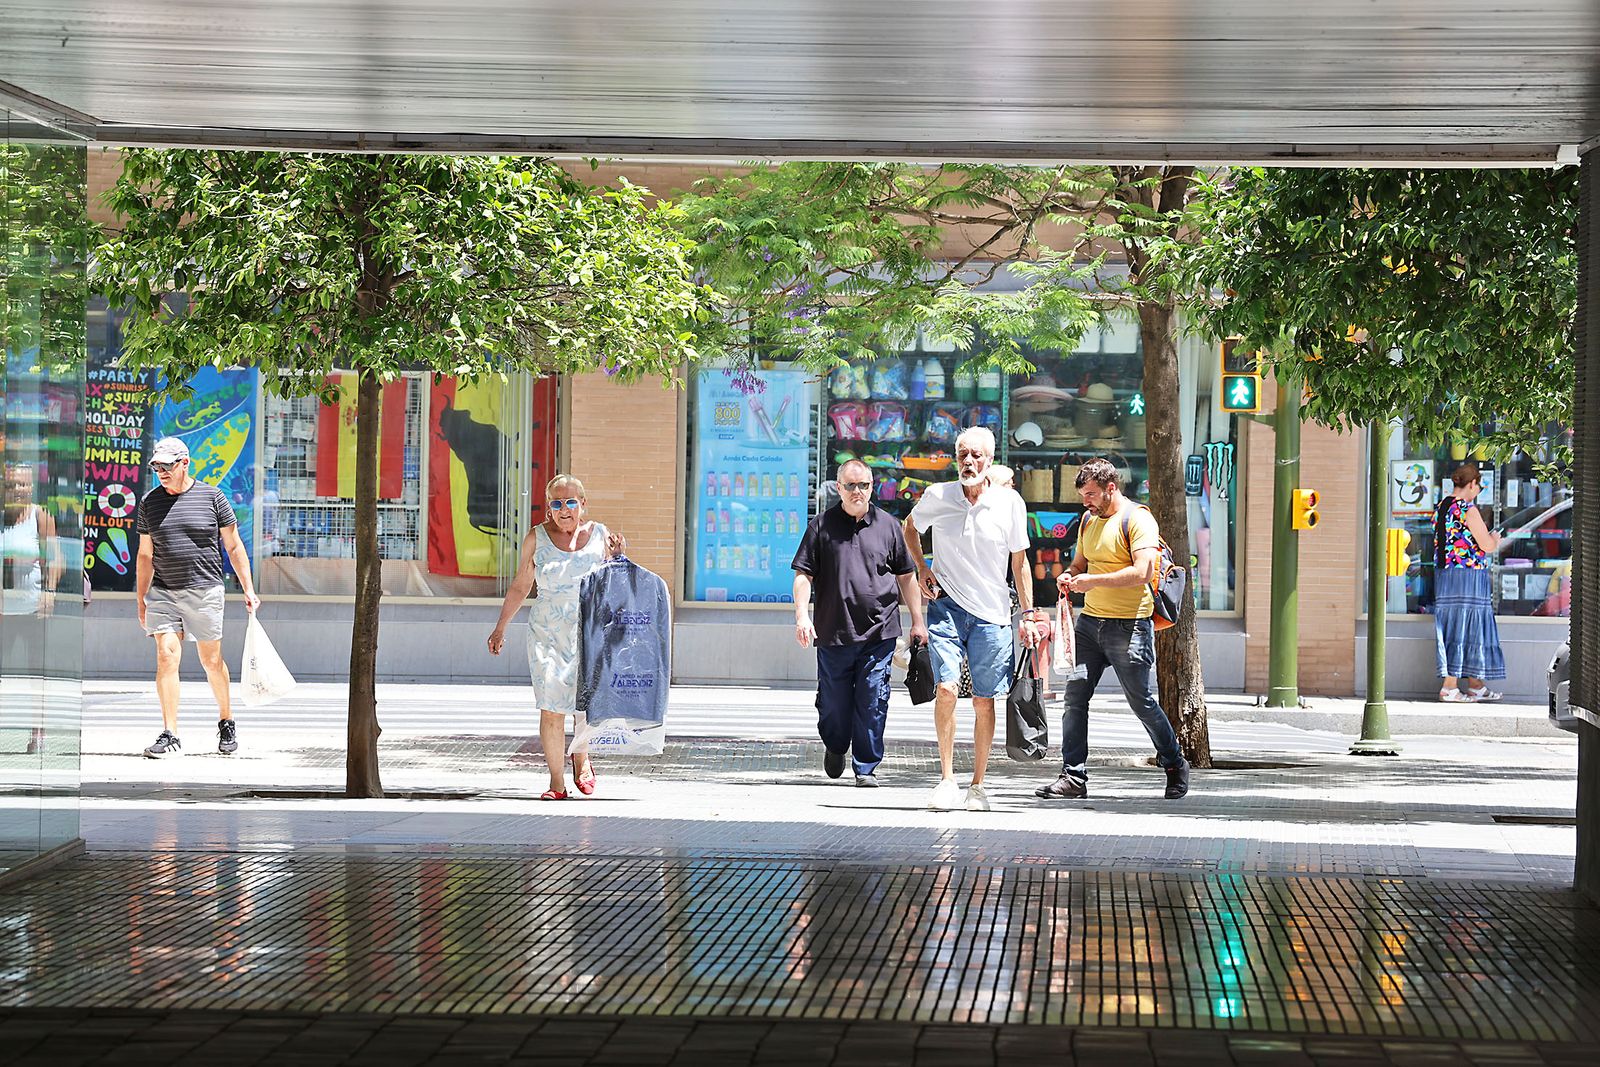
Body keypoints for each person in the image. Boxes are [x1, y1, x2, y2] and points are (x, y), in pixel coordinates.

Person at [903, 426, 1039, 812]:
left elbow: (1020, 562)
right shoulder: (938, 496)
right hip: (945, 607)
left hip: (992, 615)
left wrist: (1028, 614)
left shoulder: (1009, 503)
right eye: (963, 454)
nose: (969, 461)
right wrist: (922, 568)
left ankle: (978, 786)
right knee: (946, 689)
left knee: (983, 700)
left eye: (977, 455)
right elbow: (909, 527)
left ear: (990, 461)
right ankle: (947, 779)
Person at [1039, 457, 1189, 801]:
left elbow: (1142, 571)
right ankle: (1073, 777)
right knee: (1074, 699)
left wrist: (1092, 581)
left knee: (1141, 703)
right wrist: (1070, 575)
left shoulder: (1137, 519)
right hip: (1089, 626)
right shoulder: (1088, 520)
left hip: (1130, 627)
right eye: (1083, 496)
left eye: (1091, 495)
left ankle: (1174, 763)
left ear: (1111, 487)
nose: (1086, 502)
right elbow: (1080, 562)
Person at [488, 475, 626, 799]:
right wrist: (500, 627)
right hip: (546, 632)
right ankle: (556, 782)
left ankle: (581, 756)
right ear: (549, 507)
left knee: (584, 705)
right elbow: (521, 585)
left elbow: (616, 584)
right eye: (557, 503)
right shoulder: (536, 538)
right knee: (551, 707)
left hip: (589, 630)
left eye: (571, 502)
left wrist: (618, 557)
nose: (564, 509)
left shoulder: (600, 536)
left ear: (583, 504)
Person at [793, 459, 927, 788]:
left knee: (873, 699)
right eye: (850, 485)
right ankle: (836, 744)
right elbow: (803, 575)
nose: (857, 491)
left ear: (872, 487)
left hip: (879, 632)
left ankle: (866, 767)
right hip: (833, 632)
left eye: (863, 485)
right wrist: (801, 616)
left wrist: (918, 622)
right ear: (838, 488)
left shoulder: (888, 526)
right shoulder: (821, 526)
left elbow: (906, 576)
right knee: (834, 704)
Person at [135, 437, 260, 757]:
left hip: (205, 590)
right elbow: (145, 554)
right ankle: (170, 732)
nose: (162, 472)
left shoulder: (212, 497)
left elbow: (233, 545)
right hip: (163, 591)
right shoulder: (149, 502)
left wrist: (248, 588)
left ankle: (226, 720)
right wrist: (141, 597)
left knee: (211, 661)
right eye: (157, 467)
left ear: (185, 463)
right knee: (166, 656)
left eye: (167, 466)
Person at [3, 461, 64, 755]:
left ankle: (37, 732)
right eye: (11, 484)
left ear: (31, 487)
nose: (17, 489)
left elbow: (56, 558)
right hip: (2, 612)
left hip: (32, 609)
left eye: (23, 484)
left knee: (35, 674)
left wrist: (49, 592)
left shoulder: (41, 516)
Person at [1434, 463, 1505, 702]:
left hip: (1446, 575)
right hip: (1468, 575)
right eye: (1479, 486)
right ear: (1472, 483)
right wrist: (1495, 539)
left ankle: (1475, 684)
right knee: (1468, 626)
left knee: (1457, 626)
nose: (1478, 491)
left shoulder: (1441, 507)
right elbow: (1486, 545)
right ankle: (1450, 687)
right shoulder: (1467, 509)